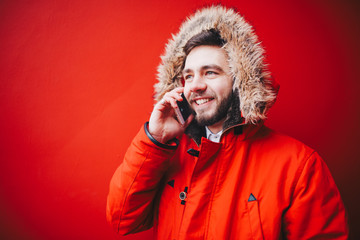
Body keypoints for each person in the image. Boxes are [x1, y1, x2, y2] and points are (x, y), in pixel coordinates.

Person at [106, 5, 348, 239]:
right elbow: (123, 221)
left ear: (240, 82)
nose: (196, 85)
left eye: (210, 72)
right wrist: (155, 141)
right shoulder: (167, 153)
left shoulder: (298, 166)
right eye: (188, 76)